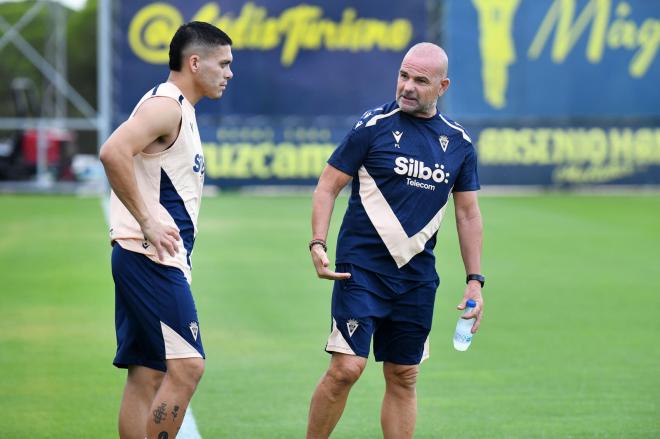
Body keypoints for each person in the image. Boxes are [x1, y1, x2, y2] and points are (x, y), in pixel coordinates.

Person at [307, 42, 484, 439]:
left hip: (416, 278)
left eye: (421, 80)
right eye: (404, 75)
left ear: (443, 86)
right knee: (345, 369)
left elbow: (468, 213)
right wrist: (318, 243)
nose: (407, 86)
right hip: (360, 271)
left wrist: (475, 281)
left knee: (404, 375)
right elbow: (327, 186)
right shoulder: (373, 126)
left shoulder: (459, 144)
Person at [99, 21, 233, 439]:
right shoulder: (167, 106)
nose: (229, 73)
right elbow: (112, 151)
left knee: (147, 375)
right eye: (224, 63)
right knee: (189, 366)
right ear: (195, 63)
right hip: (149, 258)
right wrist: (147, 219)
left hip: (144, 256)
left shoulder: (179, 109)